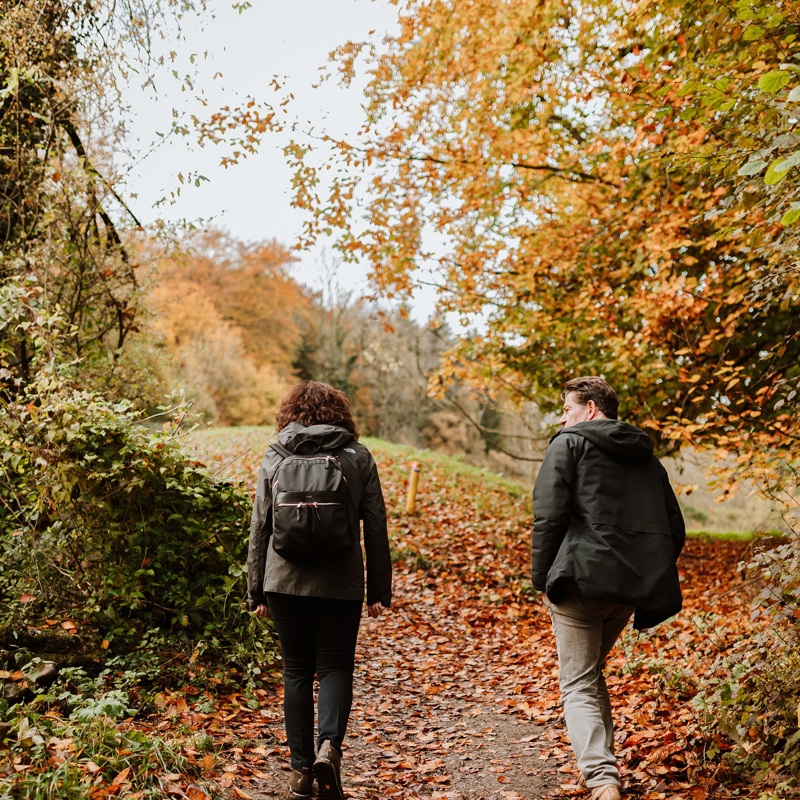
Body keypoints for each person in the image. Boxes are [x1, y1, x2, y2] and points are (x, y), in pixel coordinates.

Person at [531, 376, 685, 800]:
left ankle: (602, 780)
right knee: (590, 673)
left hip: (580, 581)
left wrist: (541, 577)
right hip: (627, 591)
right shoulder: (647, 460)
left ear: (591, 408)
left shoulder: (569, 444)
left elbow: (548, 515)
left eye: (567, 408)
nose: (562, 417)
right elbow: (675, 528)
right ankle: (606, 766)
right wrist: (644, 571)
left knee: (577, 682)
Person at [247, 381, 392, 800]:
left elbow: (259, 524)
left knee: (296, 671)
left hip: (283, 580)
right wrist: (379, 589)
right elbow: (376, 525)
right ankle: (330, 747)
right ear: (340, 413)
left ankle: (299, 770)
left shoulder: (276, 453)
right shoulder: (358, 456)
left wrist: (255, 589)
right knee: (334, 667)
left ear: (290, 413)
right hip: (340, 582)